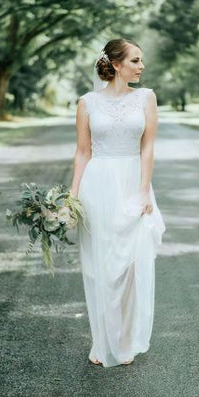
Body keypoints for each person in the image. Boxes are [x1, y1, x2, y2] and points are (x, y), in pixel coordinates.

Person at [70, 38, 166, 368]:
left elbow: (148, 149)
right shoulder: (86, 103)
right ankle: (102, 340)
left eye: (142, 61)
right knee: (101, 266)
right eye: (135, 60)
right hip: (97, 186)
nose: (141, 66)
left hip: (133, 183)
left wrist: (143, 191)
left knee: (131, 264)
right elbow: (83, 152)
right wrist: (72, 196)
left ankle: (124, 339)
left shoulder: (146, 98)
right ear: (115, 64)